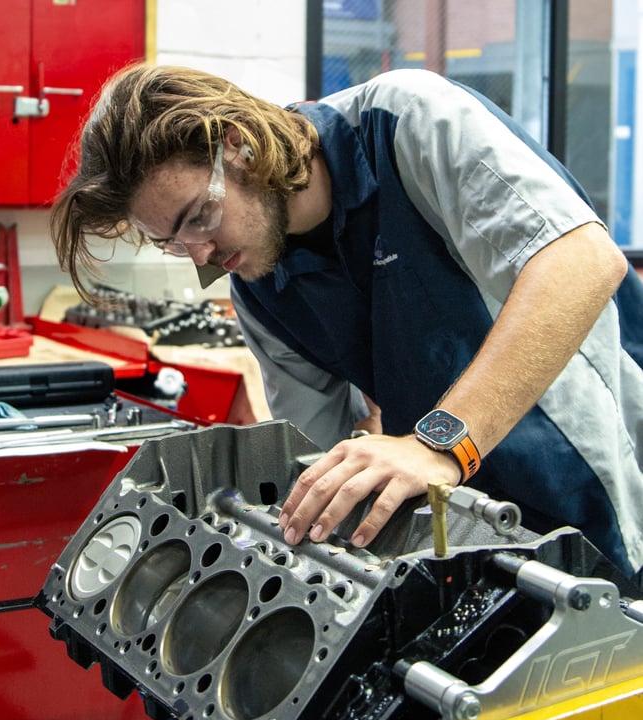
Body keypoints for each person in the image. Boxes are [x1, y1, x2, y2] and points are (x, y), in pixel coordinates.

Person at [51, 62, 643, 581]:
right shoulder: (260, 287)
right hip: (465, 525)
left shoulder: (406, 121)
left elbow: (583, 263)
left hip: (603, 480)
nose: (200, 256)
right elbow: (313, 460)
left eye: (200, 216)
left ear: (238, 145)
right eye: (172, 242)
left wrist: (439, 444)